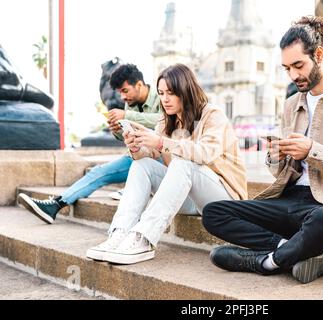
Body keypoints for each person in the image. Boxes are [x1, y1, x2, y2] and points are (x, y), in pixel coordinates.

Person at [202, 16, 323, 284]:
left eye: (298, 65)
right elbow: (282, 173)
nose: (293, 75)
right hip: (291, 199)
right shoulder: (290, 105)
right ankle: (296, 250)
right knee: (214, 213)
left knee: (322, 221)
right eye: (287, 68)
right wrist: (276, 158)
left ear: (319, 54)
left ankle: (266, 261)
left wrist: (312, 150)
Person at [86, 63, 247, 265]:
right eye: (161, 93)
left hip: (224, 197)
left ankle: (144, 238)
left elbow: (204, 153)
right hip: (188, 197)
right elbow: (151, 153)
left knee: (183, 164)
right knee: (141, 164)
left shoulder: (212, 115)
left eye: (171, 93)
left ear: (186, 90)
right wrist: (136, 147)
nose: (165, 99)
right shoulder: (166, 121)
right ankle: (120, 233)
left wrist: (162, 142)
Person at [18, 64, 161, 224]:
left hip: (162, 159)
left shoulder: (162, 94)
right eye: (120, 93)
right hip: (138, 157)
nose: (122, 98)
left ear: (139, 85)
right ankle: (55, 205)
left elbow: (164, 122)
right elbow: (129, 136)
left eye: (125, 91)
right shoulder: (130, 103)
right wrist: (117, 130)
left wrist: (128, 115)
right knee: (97, 171)